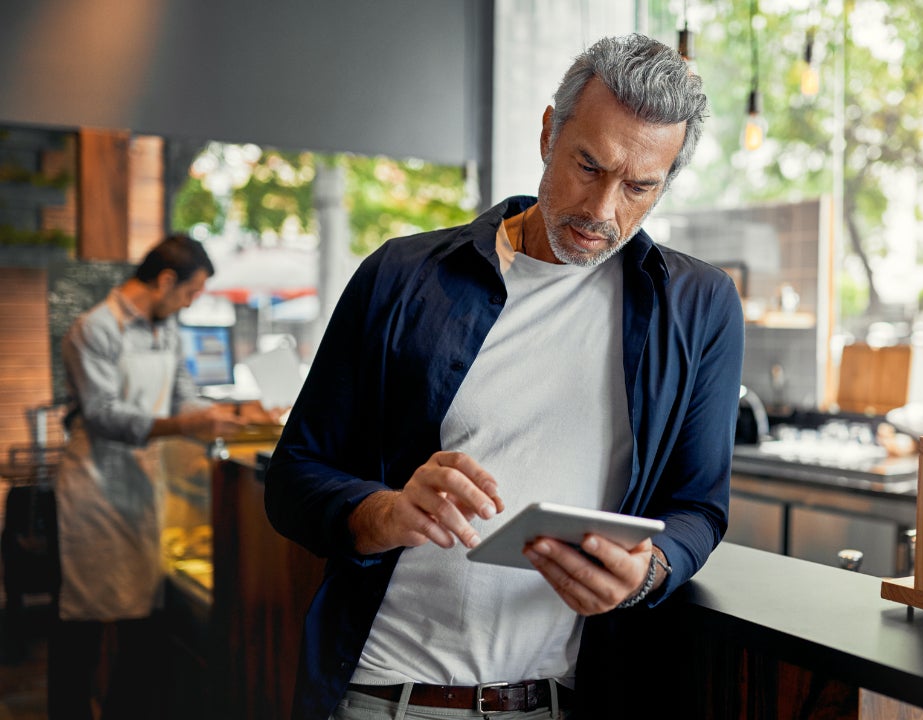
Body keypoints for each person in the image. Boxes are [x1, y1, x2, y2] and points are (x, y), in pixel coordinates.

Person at [264, 34, 744, 720]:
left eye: (640, 187)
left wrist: (648, 572)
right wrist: (387, 512)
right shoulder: (401, 277)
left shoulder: (698, 307)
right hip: (387, 693)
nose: (603, 210)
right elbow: (293, 478)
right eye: (588, 166)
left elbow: (699, 507)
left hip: (558, 701)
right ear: (549, 132)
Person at [49, 234, 267, 720]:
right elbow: (104, 415)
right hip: (93, 488)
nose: (191, 303)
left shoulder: (165, 329)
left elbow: (181, 395)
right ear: (166, 281)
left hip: (143, 486)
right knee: (80, 624)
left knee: (142, 624)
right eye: (191, 292)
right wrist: (185, 425)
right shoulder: (94, 329)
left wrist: (229, 412)